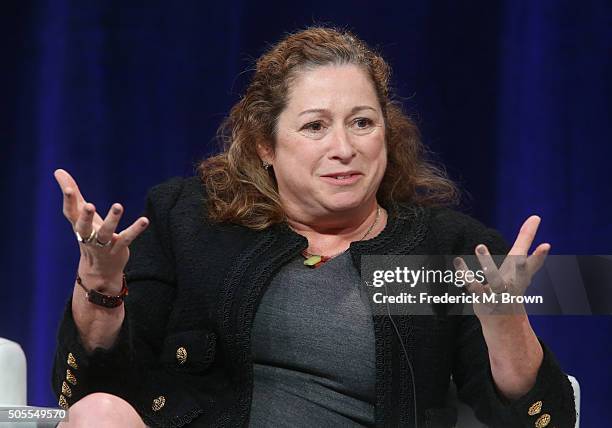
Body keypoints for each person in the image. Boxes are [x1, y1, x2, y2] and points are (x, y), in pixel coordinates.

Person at [52, 27, 576, 427]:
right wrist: (101, 286)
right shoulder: (189, 219)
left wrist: (507, 324)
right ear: (265, 145)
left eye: (363, 122)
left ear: (386, 137)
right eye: (314, 126)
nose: (344, 148)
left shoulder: (445, 251)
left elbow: (532, 417)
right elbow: (97, 389)